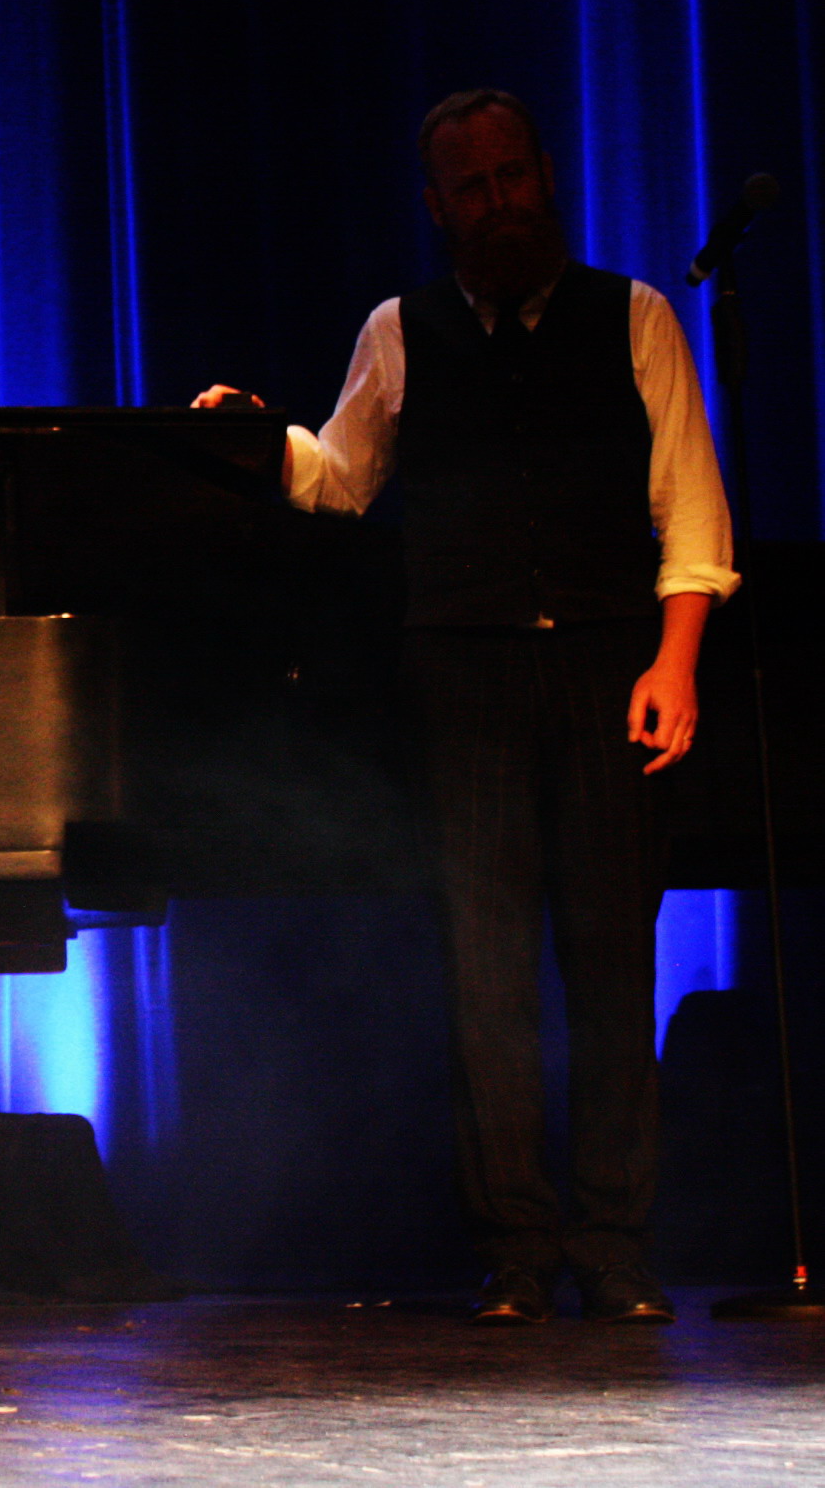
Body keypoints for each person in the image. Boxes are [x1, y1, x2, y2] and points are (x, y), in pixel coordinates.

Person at [198, 89, 736, 1326]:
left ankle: (613, 1247)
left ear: (543, 175)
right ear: (437, 207)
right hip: (461, 675)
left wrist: (672, 666)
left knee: (611, 964)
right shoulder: (399, 331)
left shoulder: (633, 316)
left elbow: (690, 508)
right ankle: (515, 1251)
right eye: (471, 189)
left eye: (511, 179)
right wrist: (254, 440)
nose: (498, 205)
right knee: (483, 976)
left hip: (605, 667)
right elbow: (340, 479)